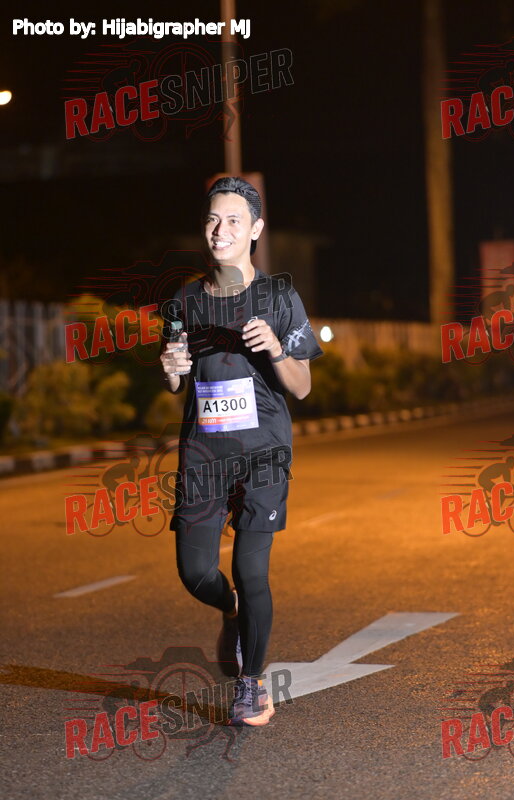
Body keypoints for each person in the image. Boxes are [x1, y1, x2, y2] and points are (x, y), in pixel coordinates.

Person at [160, 176, 323, 726]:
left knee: (252, 571)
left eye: (233, 220)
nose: (220, 230)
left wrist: (276, 348)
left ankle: (250, 685)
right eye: (212, 219)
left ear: (255, 230)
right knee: (194, 571)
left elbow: (302, 386)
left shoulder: (279, 297)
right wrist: (171, 370)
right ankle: (230, 609)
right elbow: (177, 377)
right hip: (203, 454)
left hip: (264, 454)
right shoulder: (184, 300)